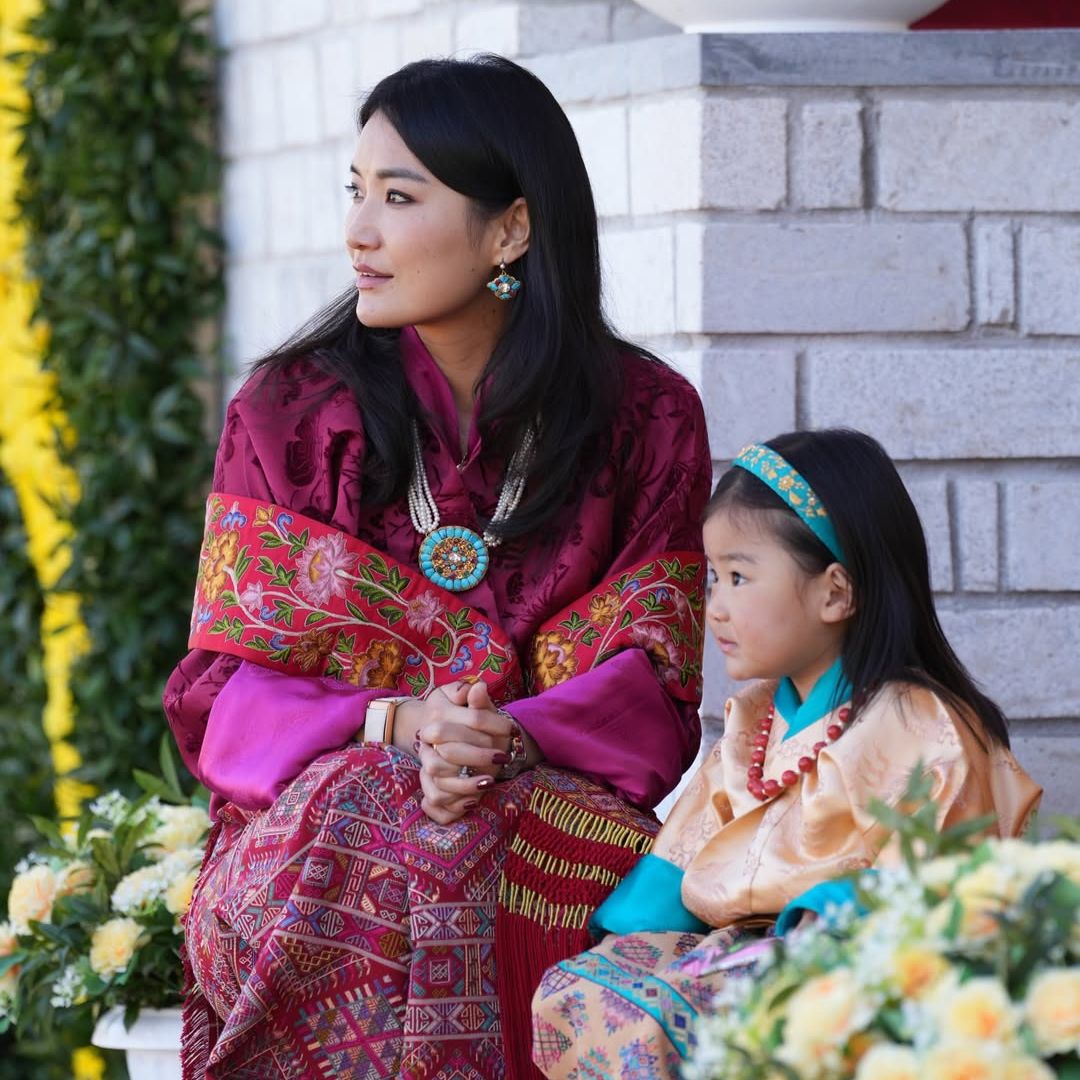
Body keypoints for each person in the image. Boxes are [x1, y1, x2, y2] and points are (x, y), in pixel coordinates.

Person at [164, 55, 710, 1080]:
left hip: (549, 818)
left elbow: (653, 704)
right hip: (307, 834)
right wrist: (400, 727)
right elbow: (220, 700)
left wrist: (504, 738)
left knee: (456, 823)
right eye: (356, 193)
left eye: (399, 198)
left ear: (509, 229)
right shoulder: (291, 411)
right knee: (382, 804)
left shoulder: (647, 418)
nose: (358, 232)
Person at [532, 429, 1042, 1080]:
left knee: (665, 1014)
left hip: (841, 967)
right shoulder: (752, 720)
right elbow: (684, 856)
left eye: (739, 577)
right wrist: (630, 939)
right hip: (731, 953)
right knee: (580, 990)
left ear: (835, 592)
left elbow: (940, 894)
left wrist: (816, 929)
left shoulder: (928, 729)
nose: (714, 607)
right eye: (712, 579)